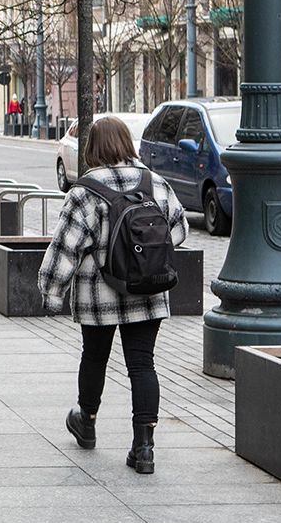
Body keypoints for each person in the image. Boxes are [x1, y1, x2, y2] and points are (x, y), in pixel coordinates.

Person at [37, 116, 187, 475]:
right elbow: (178, 230)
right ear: (127, 144)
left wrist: (51, 292)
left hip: (98, 294)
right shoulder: (154, 182)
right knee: (142, 364)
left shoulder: (85, 191)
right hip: (148, 292)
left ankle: (86, 422)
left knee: (94, 357)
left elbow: (65, 248)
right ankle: (144, 447)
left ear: (92, 149)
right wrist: (141, 258)